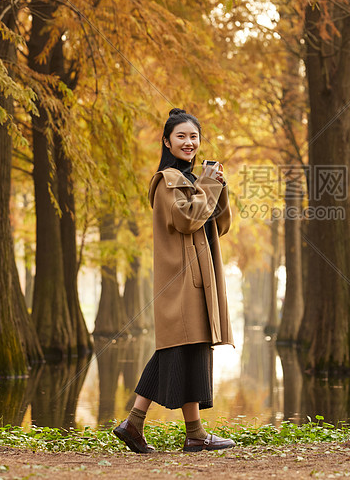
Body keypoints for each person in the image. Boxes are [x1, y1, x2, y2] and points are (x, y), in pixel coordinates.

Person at [114, 108, 235, 453]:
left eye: (194, 136)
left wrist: (217, 185)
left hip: (197, 280)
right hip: (180, 282)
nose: (189, 142)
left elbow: (219, 225)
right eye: (181, 136)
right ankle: (186, 433)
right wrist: (208, 185)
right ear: (167, 141)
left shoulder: (194, 182)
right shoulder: (167, 181)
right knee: (178, 349)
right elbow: (187, 221)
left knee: (187, 350)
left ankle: (140, 425)